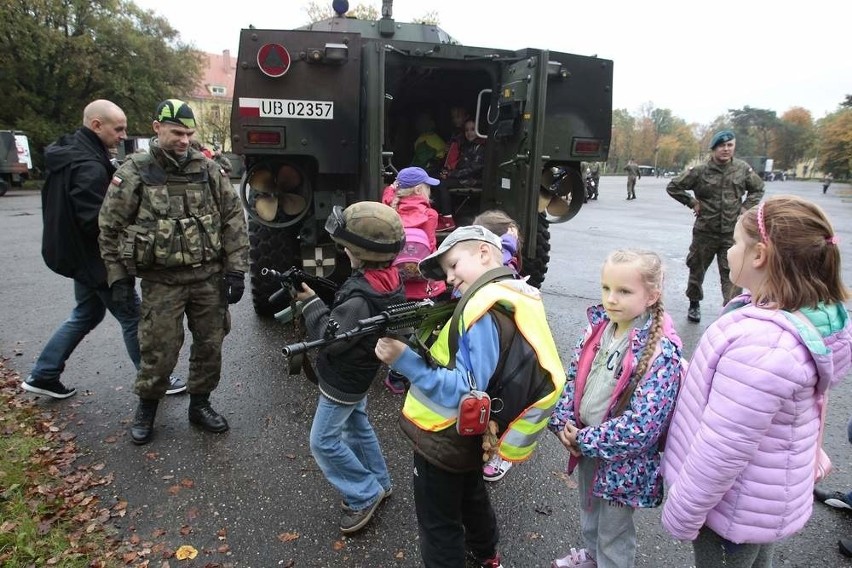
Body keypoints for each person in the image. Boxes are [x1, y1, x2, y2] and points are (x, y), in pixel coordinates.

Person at [660, 195, 852, 568]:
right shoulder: (794, 316)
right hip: (761, 501)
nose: (730, 251)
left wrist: (682, 513)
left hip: (731, 508)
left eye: (735, 243)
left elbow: (722, 448)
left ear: (760, 255)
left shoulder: (763, 346)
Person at [375, 225, 566, 568]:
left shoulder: (482, 313)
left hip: (442, 436)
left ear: (482, 252)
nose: (448, 278)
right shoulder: (515, 295)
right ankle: (486, 554)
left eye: (452, 265)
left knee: (438, 524)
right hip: (469, 435)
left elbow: (464, 393)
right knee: (470, 496)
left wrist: (404, 360)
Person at [98, 99, 249, 445]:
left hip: (207, 278)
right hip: (161, 281)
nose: (184, 140)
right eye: (176, 133)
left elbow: (233, 220)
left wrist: (237, 270)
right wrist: (118, 277)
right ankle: (147, 407)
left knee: (210, 345)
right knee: (159, 349)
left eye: (189, 134)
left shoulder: (208, 169)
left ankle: (200, 404)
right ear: (157, 128)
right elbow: (110, 228)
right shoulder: (135, 171)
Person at [22, 100, 186, 399]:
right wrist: (140, 234)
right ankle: (155, 379)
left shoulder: (74, 153)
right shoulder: (87, 165)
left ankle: (44, 373)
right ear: (97, 125)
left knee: (86, 313)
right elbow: (98, 222)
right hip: (95, 259)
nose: (123, 135)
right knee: (133, 317)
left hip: (76, 254)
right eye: (118, 129)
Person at [548, 249, 685, 568]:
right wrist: (564, 421)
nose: (611, 298)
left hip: (624, 465)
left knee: (614, 533)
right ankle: (594, 557)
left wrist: (585, 440)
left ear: (652, 295)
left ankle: (608, 560)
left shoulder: (660, 354)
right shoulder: (600, 328)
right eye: (606, 288)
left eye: (624, 291)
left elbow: (642, 429)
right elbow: (575, 374)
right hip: (588, 449)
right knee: (590, 514)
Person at [294, 201, 406, 533]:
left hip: (343, 380)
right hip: (360, 374)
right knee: (357, 427)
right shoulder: (387, 279)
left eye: (346, 246)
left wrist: (311, 304)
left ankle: (363, 494)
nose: (343, 250)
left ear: (357, 252)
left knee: (323, 441)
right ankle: (380, 483)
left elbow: (330, 339)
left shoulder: (358, 299)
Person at [666, 130, 765, 323]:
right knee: (697, 268)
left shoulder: (742, 169)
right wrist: (692, 202)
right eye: (722, 146)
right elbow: (673, 186)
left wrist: (745, 208)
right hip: (705, 231)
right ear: (714, 149)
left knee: (733, 271)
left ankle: (731, 309)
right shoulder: (700, 171)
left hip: (732, 233)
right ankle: (694, 302)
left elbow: (758, 188)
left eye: (730, 145)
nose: (726, 149)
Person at [381, 167, 448, 394]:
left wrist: (392, 188)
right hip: (422, 286)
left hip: (396, 283)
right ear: (420, 189)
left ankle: (394, 375)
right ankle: (407, 373)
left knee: (399, 329)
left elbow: (388, 194)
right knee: (420, 332)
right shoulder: (430, 215)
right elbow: (430, 249)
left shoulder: (389, 209)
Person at [471, 210, 523, 483]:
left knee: (501, 404)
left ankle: (502, 454)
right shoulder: (508, 261)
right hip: (496, 343)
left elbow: (498, 261)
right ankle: (488, 444)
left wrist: (508, 242)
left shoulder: (504, 270)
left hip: (505, 348)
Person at [433, 118, 486, 231]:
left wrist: (451, 174)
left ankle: (447, 220)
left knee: (443, 184)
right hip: (463, 177)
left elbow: (474, 169)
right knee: (437, 180)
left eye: (472, 129)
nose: (469, 133)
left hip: (474, 179)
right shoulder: (465, 146)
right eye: (467, 130)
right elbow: (459, 165)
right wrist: (447, 172)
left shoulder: (481, 147)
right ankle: (441, 215)